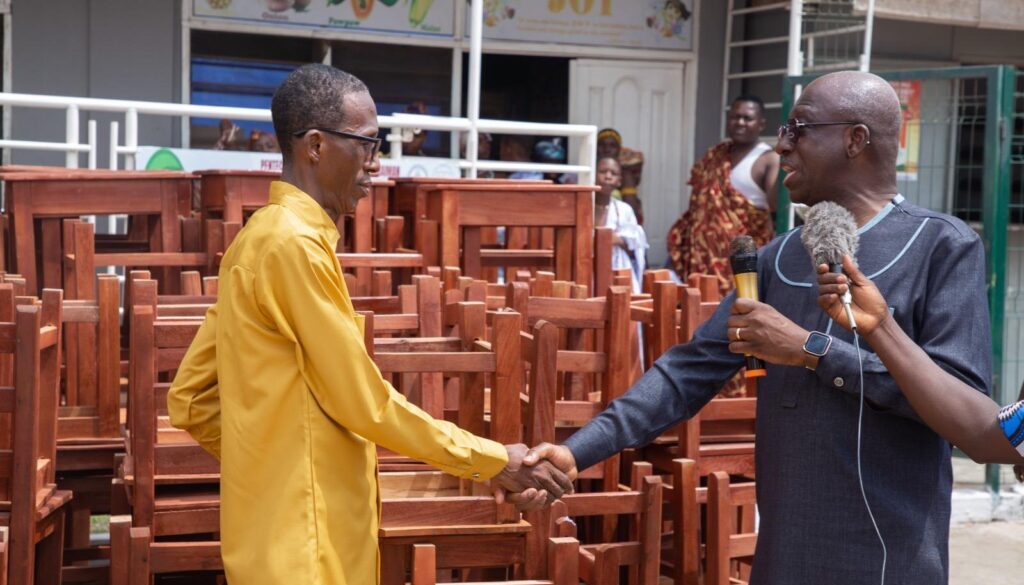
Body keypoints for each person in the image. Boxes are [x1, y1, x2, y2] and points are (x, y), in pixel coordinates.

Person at [520, 71, 993, 584]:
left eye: (799, 129)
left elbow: (962, 412)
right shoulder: (779, 258)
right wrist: (575, 451)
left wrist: (813, 350)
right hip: (786, 552)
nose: (781, 146)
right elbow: (687, 373)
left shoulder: (939, 248)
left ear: (856, 139)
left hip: (887, 556)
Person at [166, 64, 573, 585]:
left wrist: (271, 460)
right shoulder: (294, 246)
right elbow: (364, 401)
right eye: (367, 144)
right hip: (311, 547)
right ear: (315, 145)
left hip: (272, 536)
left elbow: (190, 398)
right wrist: (494, 459)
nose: (375, 165)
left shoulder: (258, 237)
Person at [816, 255, 1024, 465]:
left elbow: (983, 434)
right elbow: (986, 433)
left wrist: (820, 351)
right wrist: (880, 327)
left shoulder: (950, 243)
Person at [666, 95, 779, 295]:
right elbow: (699, 204)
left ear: (761, 124)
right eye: (735, 117)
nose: (740, 123)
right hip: (702, 254)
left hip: (741, 258)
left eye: (747, 118)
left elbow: (776, 205)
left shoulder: (768, 160)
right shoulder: (715, 155)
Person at [595, 157, 648, 293]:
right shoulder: (584, 207)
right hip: (589, 270)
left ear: (619, 181)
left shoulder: (624, 210)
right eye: (602, 171)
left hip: (618, 271)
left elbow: (637, 249)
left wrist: (617, 240)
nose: (608, 176)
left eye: (613, 173)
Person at [596, 127, 645, 223]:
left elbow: (630, 214)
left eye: (612, 146)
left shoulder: (625, 174)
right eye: (602, 145)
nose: (607, 149)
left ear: (619, 149)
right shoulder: (588, 169)